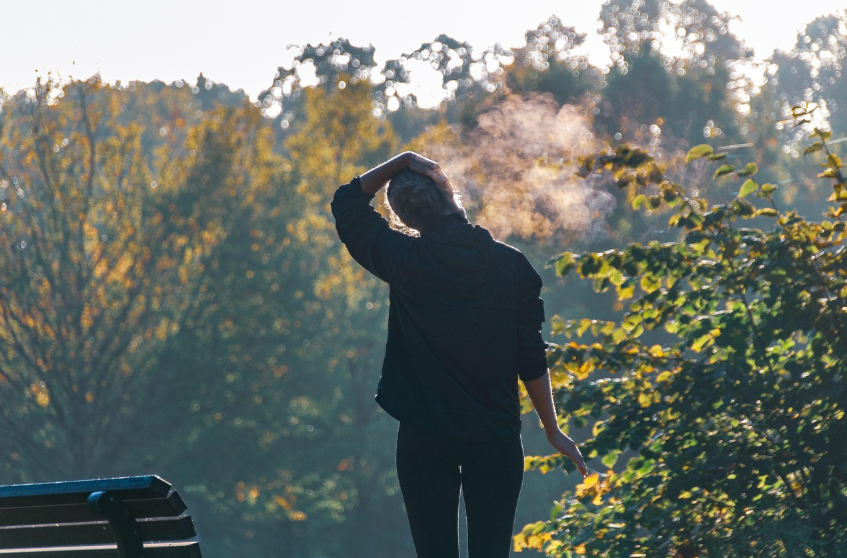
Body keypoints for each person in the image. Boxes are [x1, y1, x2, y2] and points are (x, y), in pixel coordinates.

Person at [330, 151, 586, 558]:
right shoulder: (512, 267)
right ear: (450, 193)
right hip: (495, 438)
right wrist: (552, 430)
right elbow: (531, 357)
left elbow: (346, 202)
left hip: (424, 438)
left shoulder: (404, 261)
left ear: (406, 220)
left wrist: (403, 161)